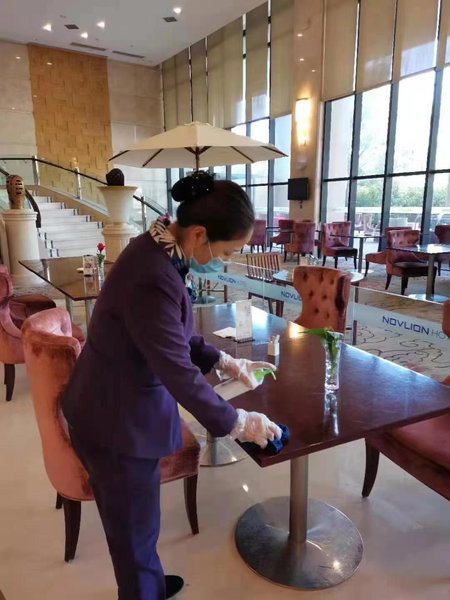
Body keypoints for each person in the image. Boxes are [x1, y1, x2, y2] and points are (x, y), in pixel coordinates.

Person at [61, 171, 281, 600]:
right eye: (226, 251)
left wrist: (222, 359)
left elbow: (167, 333)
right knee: (132, 531)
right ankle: (142, 591)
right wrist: (236, 422)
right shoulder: (152, 274)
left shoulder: (159, 247)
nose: (224, 261)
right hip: (114, 422)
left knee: (141, 524)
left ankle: (149, 583)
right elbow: (176, 370)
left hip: (116, 405)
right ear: (199, 234)